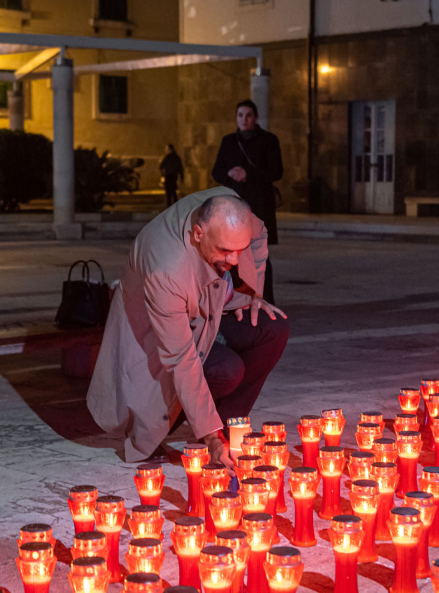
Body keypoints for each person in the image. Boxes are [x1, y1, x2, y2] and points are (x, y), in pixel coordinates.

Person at [87, 187, 289, 467]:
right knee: (227, 370)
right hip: (162, 329)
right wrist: (211, 438)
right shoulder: (167, 270)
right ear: (198, 234)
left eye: (239, 250)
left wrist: (253, 292)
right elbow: (181, 359)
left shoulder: (234, 211)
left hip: (211, 304)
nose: (234, 261)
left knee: (272, 327)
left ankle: (229, 427)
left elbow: (259, 234)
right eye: (225, 251)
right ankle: (210, 431)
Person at [211, 99, 283, 303]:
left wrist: (248, 174)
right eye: (240, 115)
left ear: (255, 117)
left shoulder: (269, 140)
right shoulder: (228, 141)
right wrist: (229, 173)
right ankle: (237, 299)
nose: (244, 119)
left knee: (259, 255)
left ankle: (265, 299)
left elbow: (276, 171)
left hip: (259, 206)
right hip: (233, 208)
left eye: (248, 115)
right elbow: (216, 171)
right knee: (232, 255)